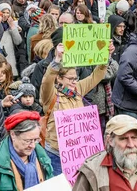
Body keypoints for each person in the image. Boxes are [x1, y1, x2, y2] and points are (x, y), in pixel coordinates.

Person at [40, 31, 112, 175]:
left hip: (77, 153)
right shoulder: (51, 94)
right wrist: (57, 60)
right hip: (55, 154)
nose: (75, 82)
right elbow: (47, 80)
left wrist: (106, 56)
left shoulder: (78, 89)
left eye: (76, 78)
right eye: (70, 79)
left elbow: (95, 76)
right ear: (59, 78)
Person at [73, 115, 137, 191]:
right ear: (110, 141)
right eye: (123, 139)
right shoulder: (92, 171)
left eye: (134, 138)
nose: (131, 145)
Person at [0, 111, 53, 190]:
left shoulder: (40, 152)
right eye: (27, 141)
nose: (33, 146)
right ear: (13, 135)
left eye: (36, 140)